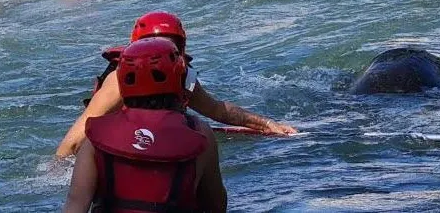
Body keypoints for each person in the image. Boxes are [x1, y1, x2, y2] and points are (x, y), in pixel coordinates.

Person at [57, 11, 297, 158]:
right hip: (115, 144)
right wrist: (58, 172)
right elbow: (74, 141)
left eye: (169, 47)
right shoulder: (119, 81)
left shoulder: (180, 73)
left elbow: (216, 110)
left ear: (180, 50)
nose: (160, 55)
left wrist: (266, 124)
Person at [63, 37, 227, 213]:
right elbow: (216, 205)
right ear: (178, 79)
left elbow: (75, 206)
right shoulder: (200, 133)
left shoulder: (95, 137)